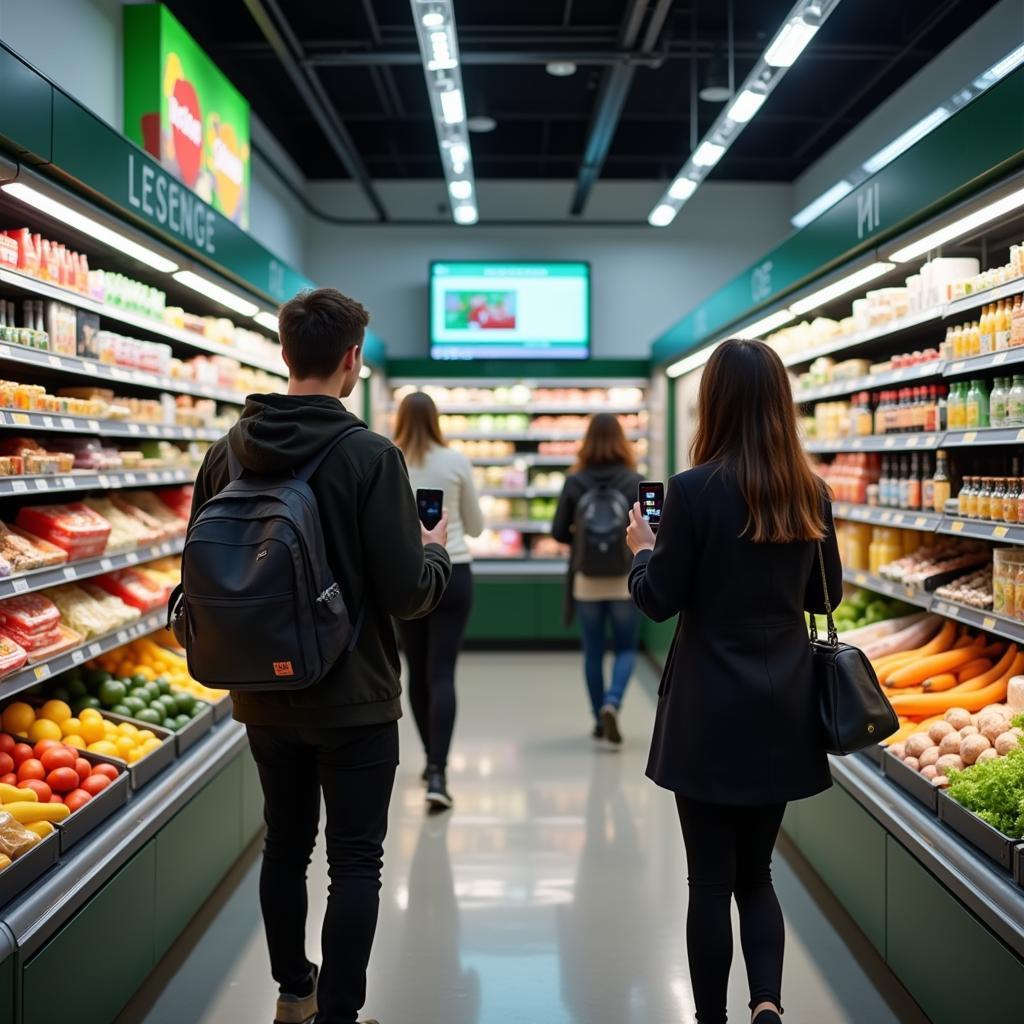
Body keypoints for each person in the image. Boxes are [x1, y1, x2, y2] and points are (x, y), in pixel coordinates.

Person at [190, 288, 452, 1024]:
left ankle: (291, 991)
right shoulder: (370, 456)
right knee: (355, 860)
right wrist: (435, 560)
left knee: (284, 843)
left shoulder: (226, 452)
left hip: (260, 691)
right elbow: (406, 593)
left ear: (283, 353)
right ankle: (339, 1011)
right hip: (356, 693)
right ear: (351, 362)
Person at [626, 338, 842, 1024]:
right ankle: (768, 1003)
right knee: (758, 875)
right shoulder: (810, 492)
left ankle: (713, 1018)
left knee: (708, 881)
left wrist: (642, 553)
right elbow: (826, 593)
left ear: (713, 404)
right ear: (781, 403)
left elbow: (659, 600)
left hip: (707, 709)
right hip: (783, 706)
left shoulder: (691, 492)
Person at [393, 392, 484, 810]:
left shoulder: (388, 458)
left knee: (415, 669)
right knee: (442, 672)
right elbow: (478, 526)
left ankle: (430, 759)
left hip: (409, 574)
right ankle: (437, 771)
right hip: (454, 571)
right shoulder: (456, 461)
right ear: (436, 420)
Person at [552, 413, 642, 745]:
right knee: (626, 647)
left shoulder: (575, 482)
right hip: (625, 578)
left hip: (586, 579)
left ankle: (597, 721)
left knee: (592, 651)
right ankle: (613, 702)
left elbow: (559, 532)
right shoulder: (635, 480)